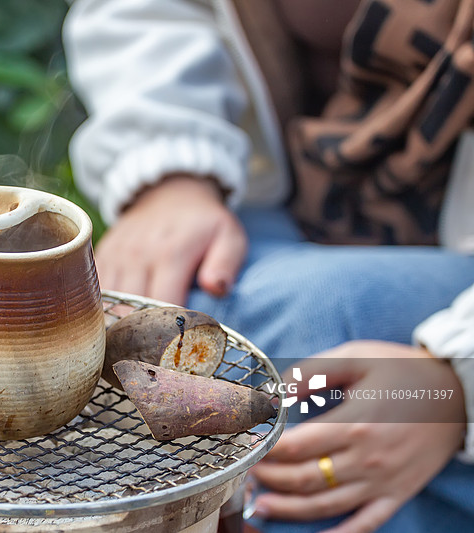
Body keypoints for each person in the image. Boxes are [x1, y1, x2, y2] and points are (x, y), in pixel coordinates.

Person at [62, 0, 474, 531]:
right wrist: (172, 177)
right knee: (195, 317)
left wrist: (452, 383)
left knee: (313, 349)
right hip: (283, 203)